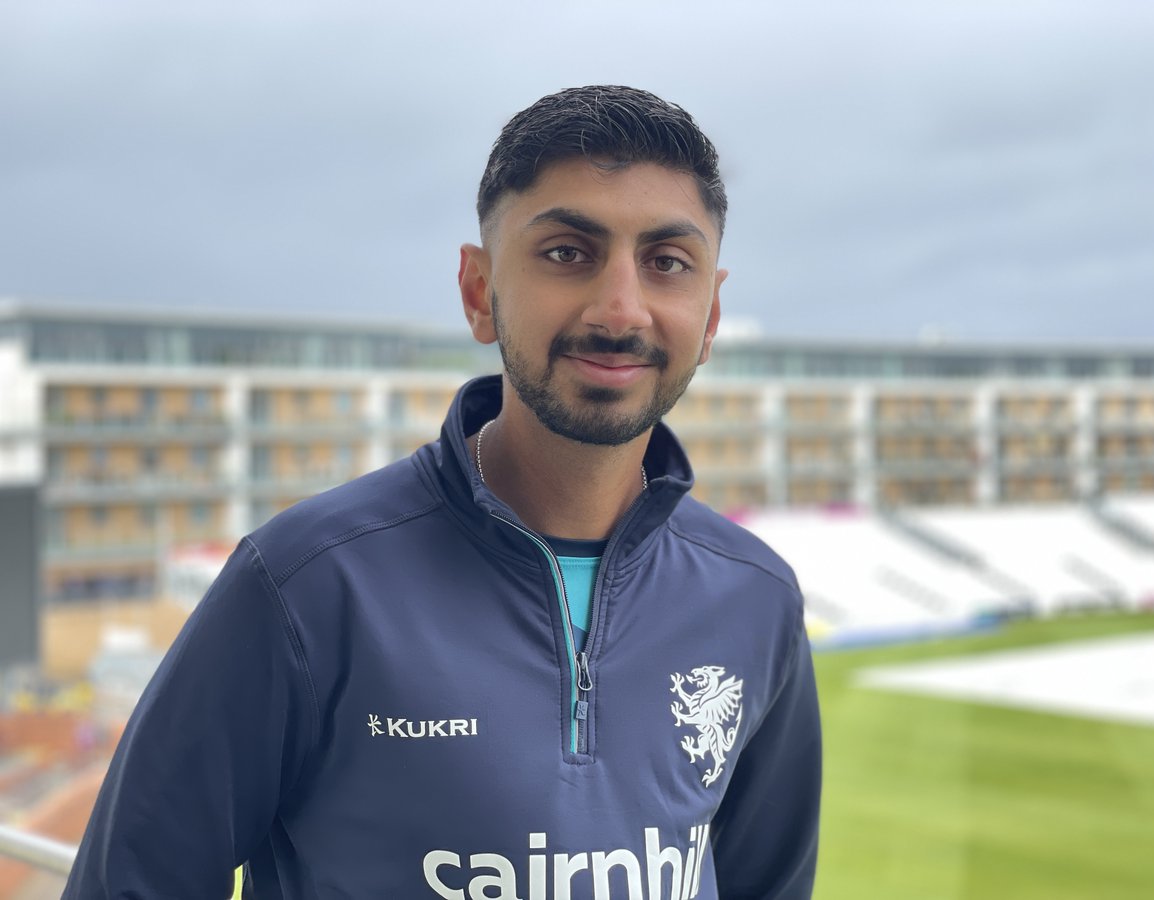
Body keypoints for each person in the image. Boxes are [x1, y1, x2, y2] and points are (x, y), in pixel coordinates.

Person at [64, 84, 821, 900]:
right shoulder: (306, 584)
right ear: (477, 291)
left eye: (668, 263)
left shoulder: (756, 596)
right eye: (568, 251)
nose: (621, 308)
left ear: (709, 317)